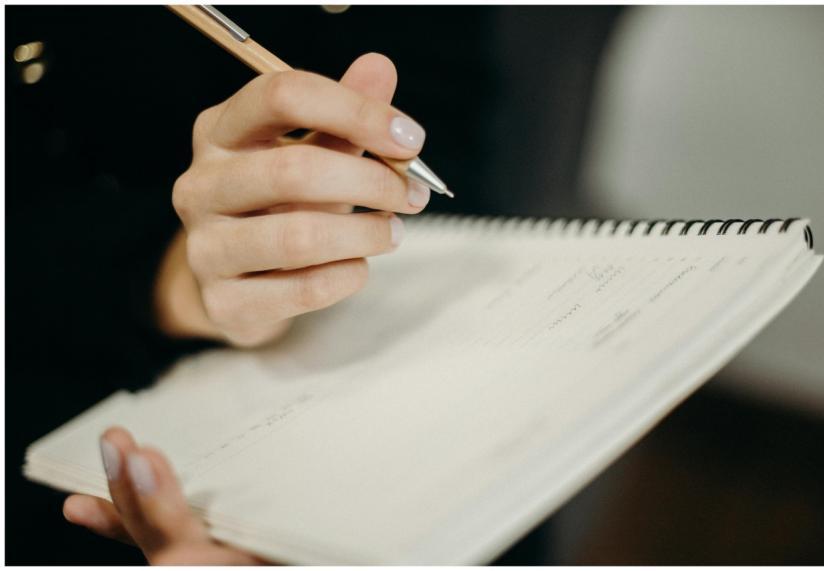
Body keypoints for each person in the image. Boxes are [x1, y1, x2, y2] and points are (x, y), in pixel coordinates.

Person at [7, 6, 622, 564]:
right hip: (65, 364)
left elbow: (456, 126)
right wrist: (175, 279)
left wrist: (353, 193)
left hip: (405, 343)